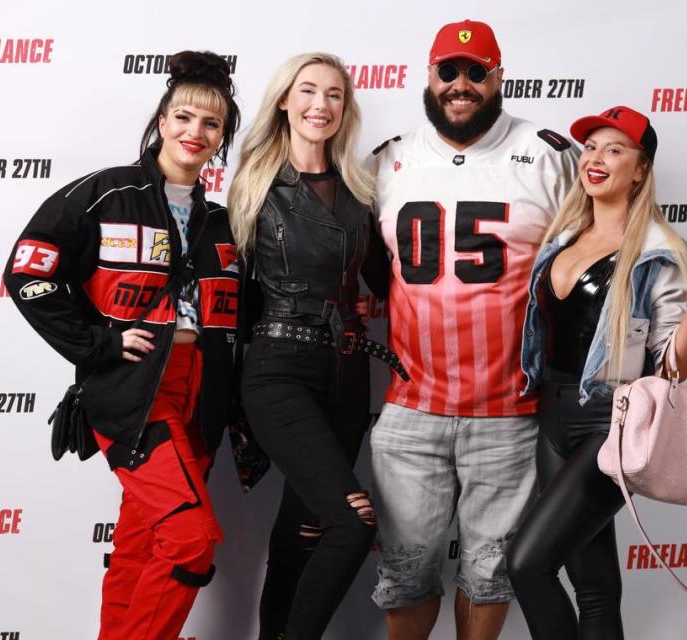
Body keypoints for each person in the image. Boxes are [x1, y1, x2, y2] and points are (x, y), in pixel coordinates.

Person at [4, 51, 255, 639]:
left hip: (202, 395)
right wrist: (97, 343)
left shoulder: (223, 221)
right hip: (133, 391)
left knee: (146, 543)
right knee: (191, 542)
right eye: (185, 117)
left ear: (223, 137)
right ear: (163, 119)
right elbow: (28, 271)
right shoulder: (103, 194)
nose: (196, 133)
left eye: (212, 124)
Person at [367, 19, 579, 640]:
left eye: (476, 71)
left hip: (508, 406)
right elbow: (379, 274)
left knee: (490, 575)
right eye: (448, 71)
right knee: (406, 572)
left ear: (498, 77)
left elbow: (586, 259)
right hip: (412, 405)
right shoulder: (388, 160)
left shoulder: (548, 155)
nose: (461, 84)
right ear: (428, 77)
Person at [506, 105, 687, 639]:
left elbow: (674, 368)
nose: (596, 159)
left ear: (640, 170)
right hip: (552, 417)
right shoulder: (561, 239)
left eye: (615, 150)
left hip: (610, 424)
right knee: (593, 586)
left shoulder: (658, 253)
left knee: (526, 564)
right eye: (590, 148)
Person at [228, 52, 392, 640]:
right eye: (308, 91)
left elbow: (389, 284)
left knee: (303, 529)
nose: (320, 105)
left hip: (348, 376)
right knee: (352, 525)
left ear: (346, 109)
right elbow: (229, 296)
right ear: (283, 100)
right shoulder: (252, 186)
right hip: (279, 371)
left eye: (334, 95)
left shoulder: (359, 191)